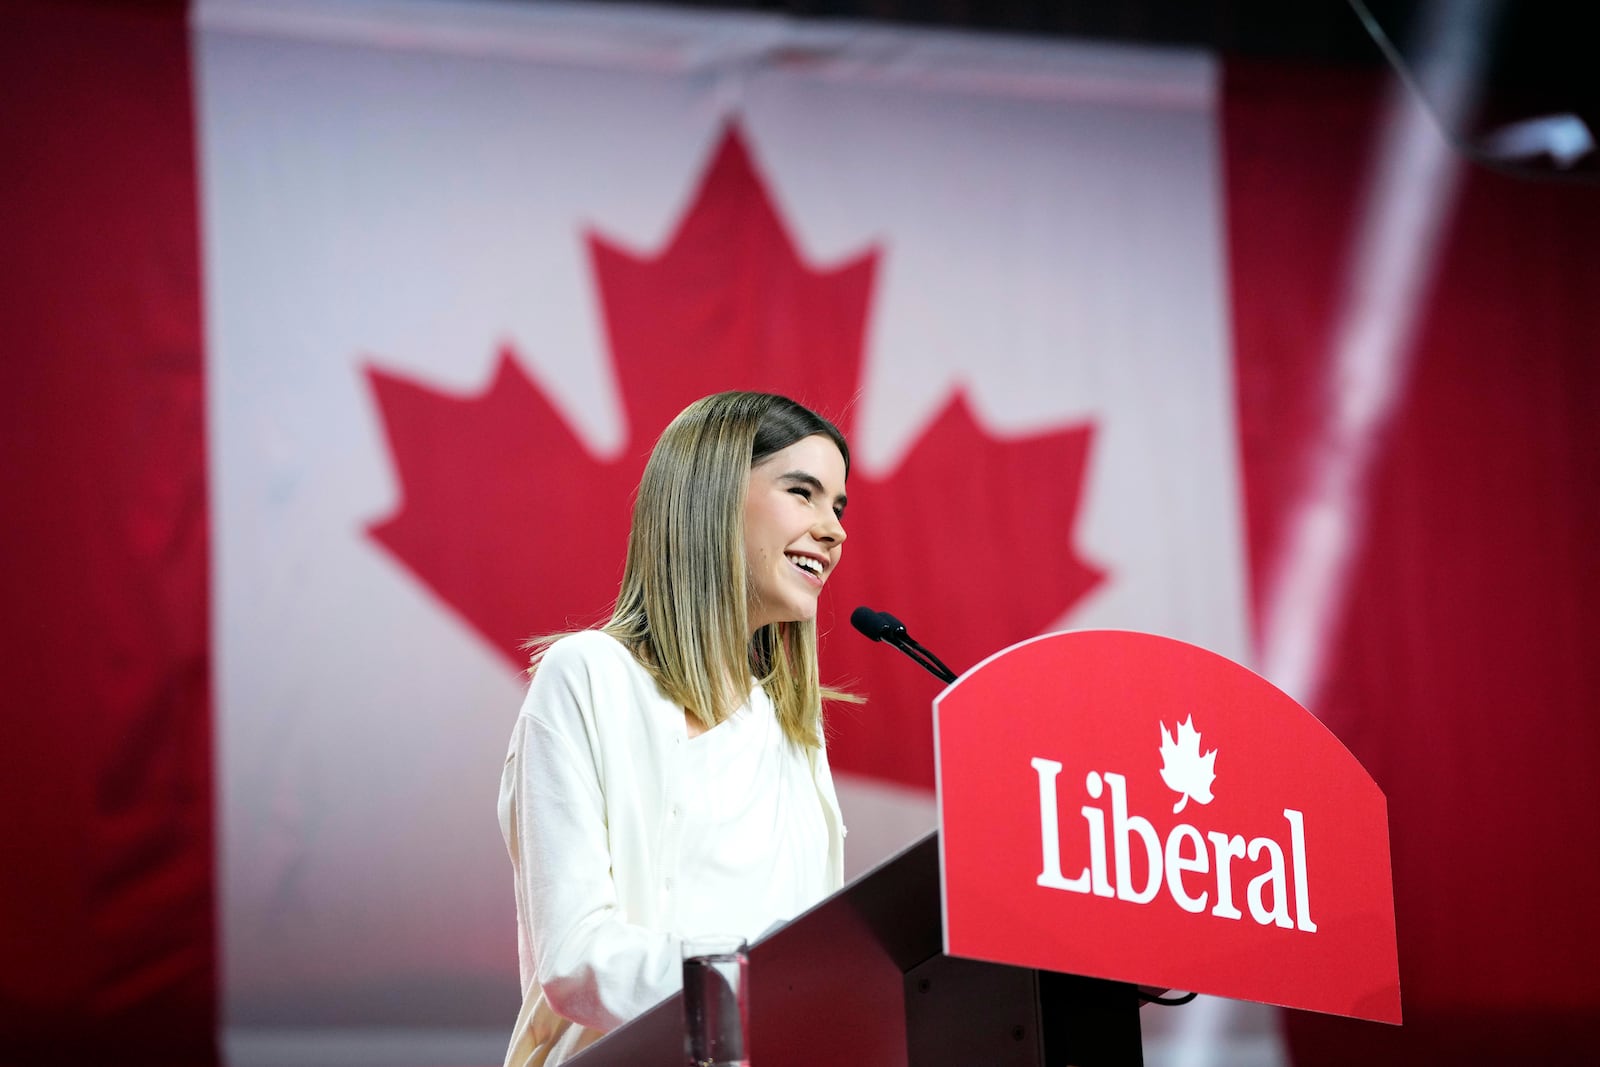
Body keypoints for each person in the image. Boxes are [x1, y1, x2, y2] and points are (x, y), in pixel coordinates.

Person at [498, 391, 854, 1066]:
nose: (834, 529)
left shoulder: (794, 737)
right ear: (713, 496)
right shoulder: (590, 676)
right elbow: (575, 957)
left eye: (838, 505)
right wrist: (769, 982)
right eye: (803, 492)